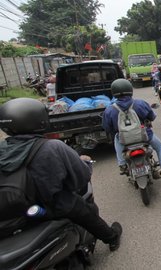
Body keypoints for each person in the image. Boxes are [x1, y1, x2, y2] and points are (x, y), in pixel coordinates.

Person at [0, 98, 123, 251]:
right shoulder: (53, 147)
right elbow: (81, 178)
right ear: (41, 120)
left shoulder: (2, 148)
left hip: (12, 210)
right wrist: (85, 164)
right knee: (84, 211)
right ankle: (111, 237)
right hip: (50, 206)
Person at [102, 79, 161, 181]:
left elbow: (107, 128)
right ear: (130, 89)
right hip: (145, 136)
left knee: (117, 138)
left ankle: (122, 164)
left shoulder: (109, 110)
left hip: (123, 139)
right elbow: (152, 117)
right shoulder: (140, 103)